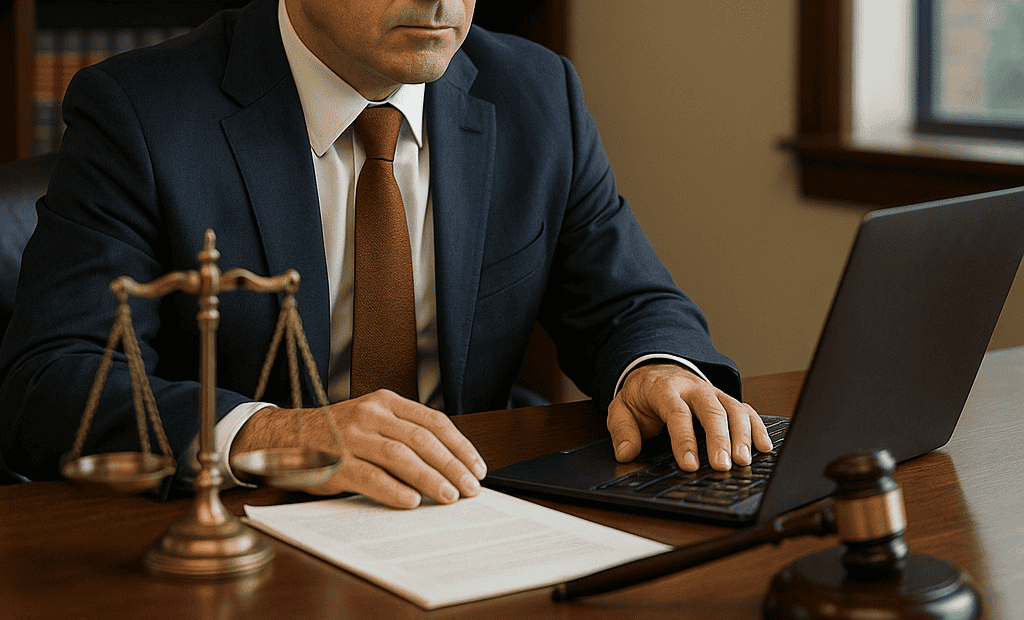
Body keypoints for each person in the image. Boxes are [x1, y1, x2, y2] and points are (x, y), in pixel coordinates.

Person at [0, 0, 771, 507]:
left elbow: (630, 300)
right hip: (240, 535)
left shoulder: (536, 93)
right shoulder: (140, 110)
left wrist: (659, 370)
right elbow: (52, 377)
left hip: (470, 519)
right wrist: (277, 436)